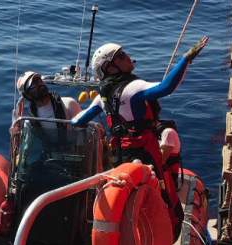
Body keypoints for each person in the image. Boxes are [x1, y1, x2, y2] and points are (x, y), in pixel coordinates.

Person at [72, 37, 208, 225]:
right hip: (145, 152)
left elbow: (77, 122)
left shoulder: (102, 98)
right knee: (159, 194)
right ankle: (164, 227)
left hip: (120, 155)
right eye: (121, 55)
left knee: (128, 195)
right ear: (110, 67)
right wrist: (186, 59)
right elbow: (166, 87)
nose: (127, 57)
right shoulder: (133, 88)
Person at [14, 71, 82, 127]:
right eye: (33, 83)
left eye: (39, 79)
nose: (39, 83)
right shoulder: (28, 119)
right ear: (27, 95)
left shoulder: (69, 104)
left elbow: (82, 132)